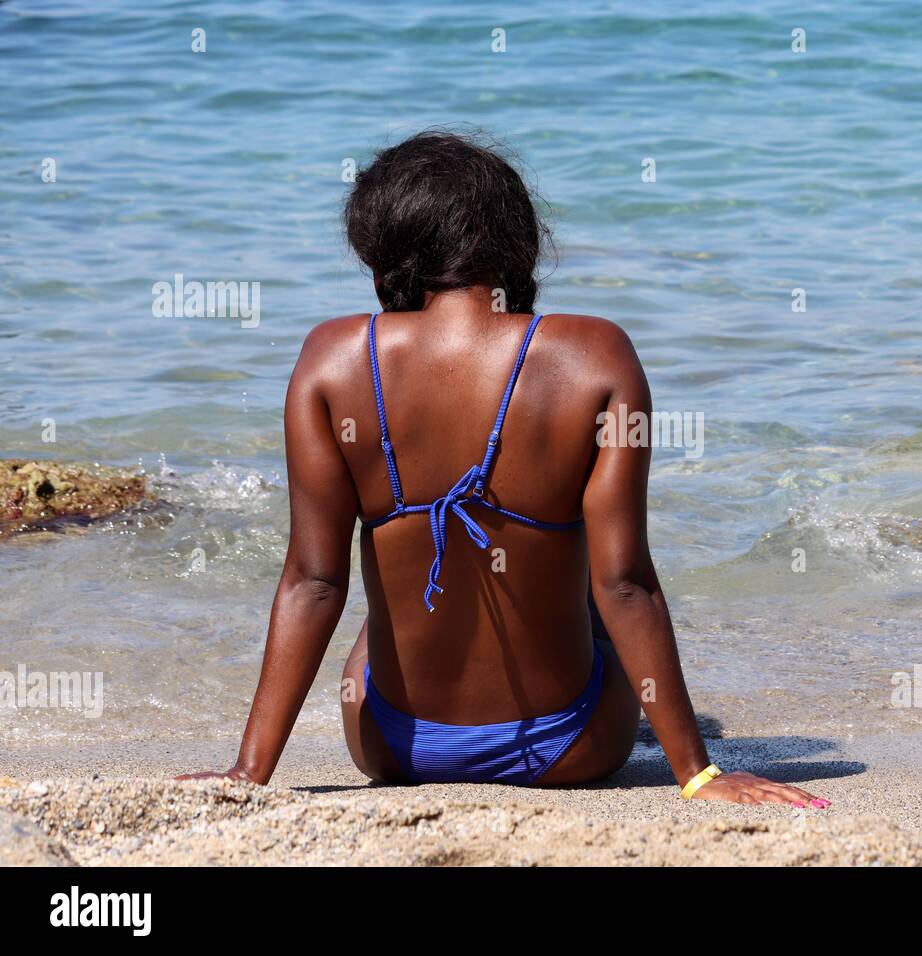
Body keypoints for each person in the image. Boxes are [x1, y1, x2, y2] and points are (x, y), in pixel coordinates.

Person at [181, 130, 828, 808]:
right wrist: (700, 773)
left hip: (391, 745)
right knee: (586, 577)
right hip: (574, 748)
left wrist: (247, 771)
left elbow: (313, 581)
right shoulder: (595, 355)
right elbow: (626, 583)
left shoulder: (331, 359)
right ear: (518, 247)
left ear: (385, 261)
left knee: (387, 601)